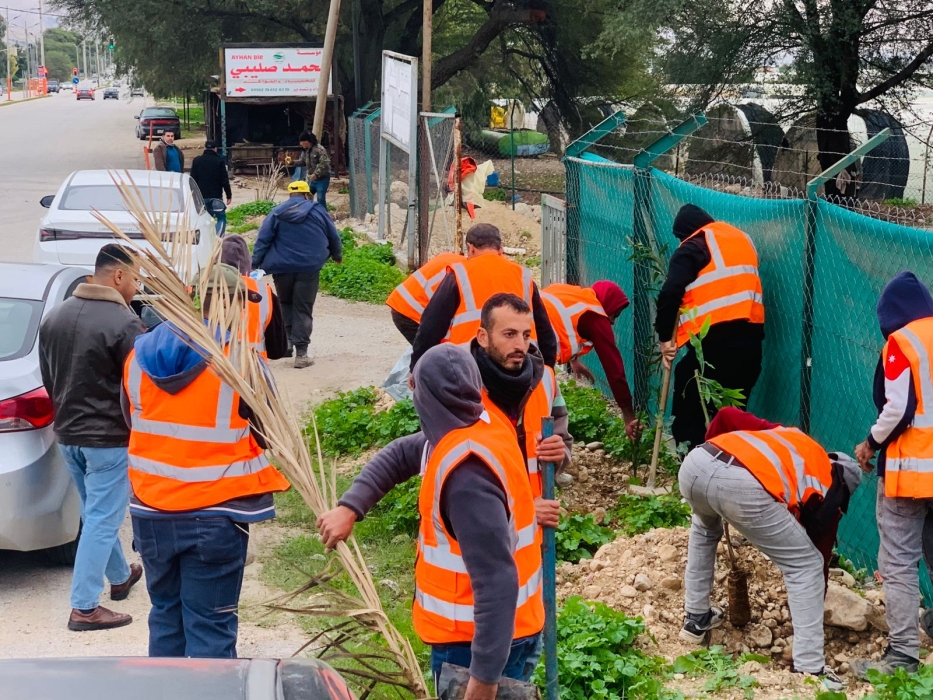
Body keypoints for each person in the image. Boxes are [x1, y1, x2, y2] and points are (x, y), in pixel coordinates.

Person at [319, 344, 544, 694]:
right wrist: (350, 507)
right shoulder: (480, 424)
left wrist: (484, 681)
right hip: (506, 633)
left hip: (479, 645)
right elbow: (401, 454)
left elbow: (497, 582)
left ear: (421, 394)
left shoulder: (466, 477)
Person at [123, 263, 290, 658]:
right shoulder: (242, 362)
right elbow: (270, 432)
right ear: (234, 305)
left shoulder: (138, 356)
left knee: (166, 616)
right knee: (210, 628)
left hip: (151, 509)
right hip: (217, 513)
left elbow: (131, 419)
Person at [678, 407, 861, 692]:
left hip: (697, 463)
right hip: (740, 485)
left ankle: (696, 617)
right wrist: (814, 593)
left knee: (704, 529)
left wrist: (717, 471)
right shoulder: (832, 484)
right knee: (805, 565)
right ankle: (810, 668)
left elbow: (726, 414)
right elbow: (818, 556)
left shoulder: (794, 440)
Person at [39, 244, 146, 631]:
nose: (136, 287)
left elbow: (49, 379)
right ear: (118, 276)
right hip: (108, 440)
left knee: (94, 513)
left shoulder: (55, 317)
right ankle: (84, 608)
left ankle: (119, 577)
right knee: (102, 519)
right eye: (135, 278)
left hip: (67, 435)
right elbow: (140, 387)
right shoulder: (126, 324)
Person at [850, 272, 933, 678]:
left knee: (898, 561)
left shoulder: (901, 342)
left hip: (911, 472)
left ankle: (902, 655)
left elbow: (898, 408)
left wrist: (869, 444)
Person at [656, 204, 765, 449]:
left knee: (689, 405)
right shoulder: (742, 240)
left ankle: (693, 464)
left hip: (714, 346)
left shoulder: (693, 246)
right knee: (732, 413)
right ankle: (731, 466)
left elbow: (670, 293)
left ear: (684, 233)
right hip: (751, 342)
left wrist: (665, 339)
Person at [411, 224, 558, 370]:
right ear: (500, 249)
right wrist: (547, 370)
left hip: (468, 365)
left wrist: (416, 366)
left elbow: (431, 326)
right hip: (517, 363)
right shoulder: (523, 276)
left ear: (471, 248)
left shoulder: (460, 274)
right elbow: (544, 330)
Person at [251, 180, 343, 368]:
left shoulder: (277, 212)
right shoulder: (317, 211)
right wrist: (337, 254)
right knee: (303, 307)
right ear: (307, 194)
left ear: (290, 195)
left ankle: (287, 344)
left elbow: (263, 239)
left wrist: (254, 263)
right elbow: (333, 235)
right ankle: (301, 354)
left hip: (282, 267)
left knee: (285, 303)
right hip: (308, 267)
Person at [541, 280, 641, 439]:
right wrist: (628, 415)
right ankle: (543, 446)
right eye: (614, 315)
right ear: (606, 304)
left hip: (520, 333)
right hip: (537, 352)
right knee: (545, 403)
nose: (613, 321)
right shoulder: (596, 315)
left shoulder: (573, 293)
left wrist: (573, 359)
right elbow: (614, 370)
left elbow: (559, 319)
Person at [220, 234, 288, 361]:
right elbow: (278, 350)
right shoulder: (264, 292)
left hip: (213, 371)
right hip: (254, 371)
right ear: (247, 261)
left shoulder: (200, 289)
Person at [386, 251, 466, 344]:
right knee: (431, 352)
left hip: (403, 304)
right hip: (411, 312)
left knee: (424, 347)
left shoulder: (456, 261)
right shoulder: (463, 272)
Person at [190, 140, 232, 235]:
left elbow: (192, 179)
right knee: (221, 218)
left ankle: (207, 238)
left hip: (201, 197)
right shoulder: (219, 161)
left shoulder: (197, 161)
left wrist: (193, 195)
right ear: (215, 148)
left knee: (205, 219)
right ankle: (218, 238)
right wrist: (229, 195)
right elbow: (224, 180)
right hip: (216, 196)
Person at [296, 131, 331, 210]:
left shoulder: (319, 149)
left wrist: (316, 174)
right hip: (311, 179)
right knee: (306, 196)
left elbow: (324, 163)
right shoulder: (305, 151)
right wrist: (291, 162)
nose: (300, 144)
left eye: (302, 141)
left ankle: (323, 216)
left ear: (307, 141)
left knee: (320, 198)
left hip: (322, 179)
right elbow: (302, 161)